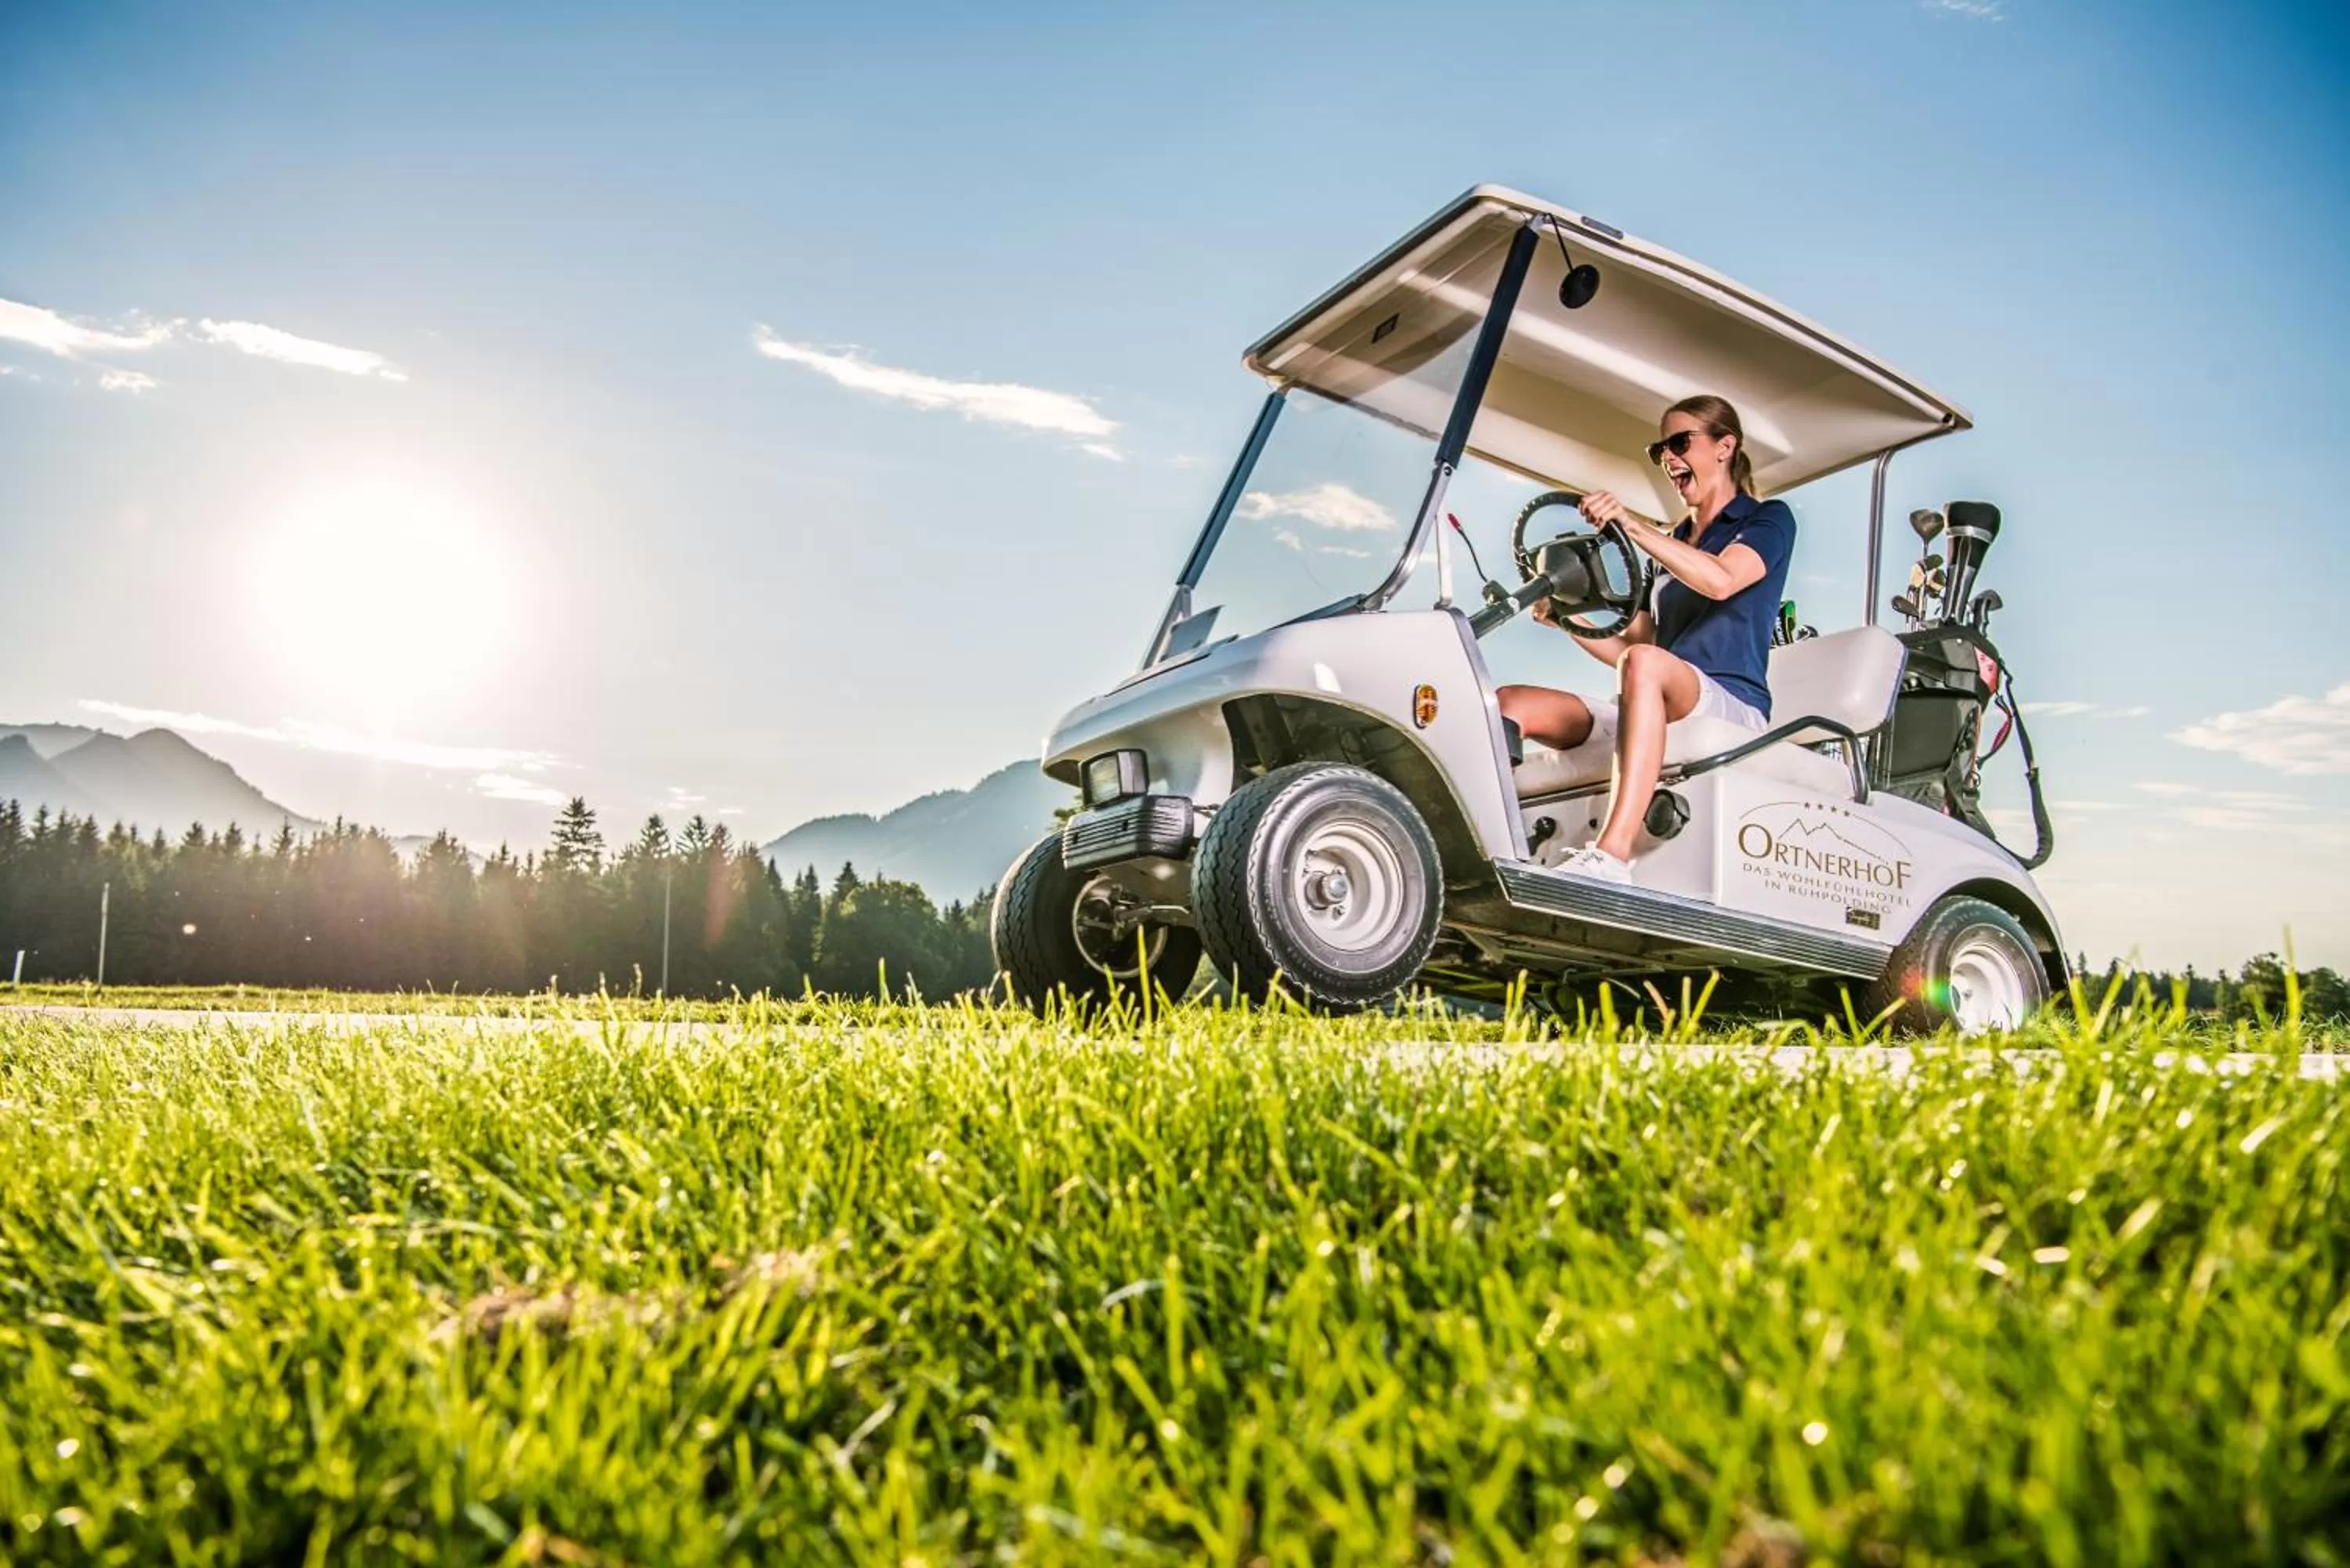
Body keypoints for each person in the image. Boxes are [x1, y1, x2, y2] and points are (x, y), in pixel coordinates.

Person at [1495, 393, 1795, 884]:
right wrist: (1568, 619)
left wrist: (1632, 526)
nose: (1668, 458)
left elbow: (1720, 580)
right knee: (1514, 702)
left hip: (1730, 701)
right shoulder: (1673, 542)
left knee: (1645, 665)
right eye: (1661, 450)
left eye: (1680, 442)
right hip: (1659, 692)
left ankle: (1612, 857)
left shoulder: (1766, 520)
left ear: (1725, 446)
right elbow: (1632, 642)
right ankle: (1500, 847)